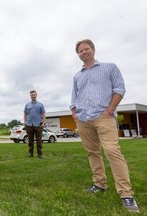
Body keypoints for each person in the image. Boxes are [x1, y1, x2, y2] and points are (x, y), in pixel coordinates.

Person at [70, 39, 139, 212]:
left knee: (112, 151)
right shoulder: (77, 75)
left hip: (104, 117)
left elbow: (120, 89)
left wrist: (109, 110)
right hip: (84, 119)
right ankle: (99, 184)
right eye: (80, 51)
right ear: (78, 54)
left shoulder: (109, 67)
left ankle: (126, 194)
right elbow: (74, 97)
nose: (84, 52)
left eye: (86, 49)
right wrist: (75, 113)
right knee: (92, 153)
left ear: (93, 50)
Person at [23, 90, 46, 159]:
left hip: (38, 125)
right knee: (30, 140)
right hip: (29, 125)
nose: (33, 96)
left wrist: (44, 122)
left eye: (34, 95)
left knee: (39, 141)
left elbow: (43, 114)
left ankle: (40, 154)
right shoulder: (27, 105)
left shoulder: (40, 104)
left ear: (36, 95)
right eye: (31, 95)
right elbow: (25, 114)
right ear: (30, 96)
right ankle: (30, 153)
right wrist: (25, 122)